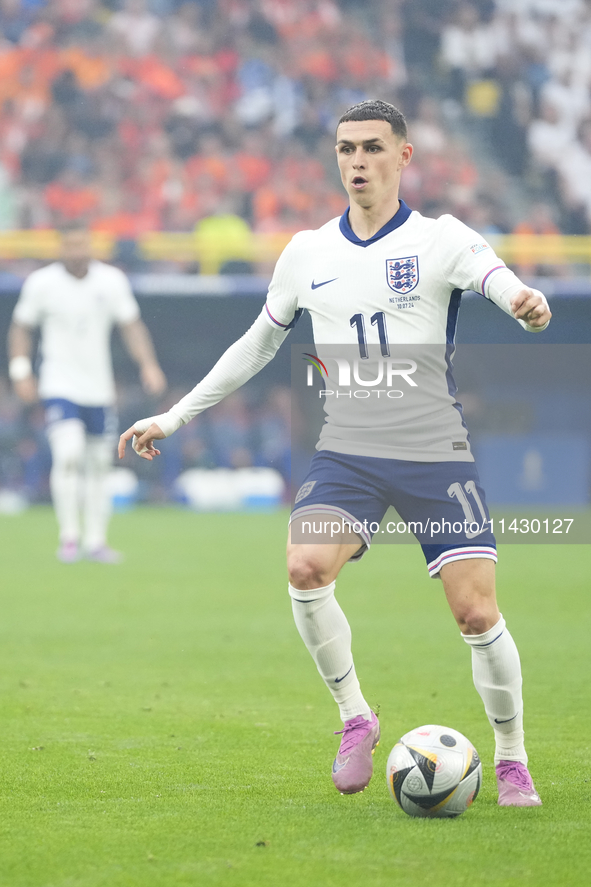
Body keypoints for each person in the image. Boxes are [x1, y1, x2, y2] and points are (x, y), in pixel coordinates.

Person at [118, 100, 551, 806]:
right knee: (303, 566)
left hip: (431, 451)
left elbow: (495, 278)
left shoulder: (441, 238)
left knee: (475, 613)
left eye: (373, 148)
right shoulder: (306, 252)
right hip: (347, 450)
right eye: (346, 149)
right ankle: (355, 716)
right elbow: (257, 342)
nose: (357, 161)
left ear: (403, 156)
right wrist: (175, 414)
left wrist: (522, 300)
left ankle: (510, 758)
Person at [8, 224, 167, 563]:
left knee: (98, 464)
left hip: (97, 388)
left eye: (82, 244)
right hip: (58, 384)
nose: (77, 251)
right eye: (71, 245)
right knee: (69, 453)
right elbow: (21, 327)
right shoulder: (42, 284)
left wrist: (148, 364)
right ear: (60, 247)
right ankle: (69, 537)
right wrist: (20, 371)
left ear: (91, 246)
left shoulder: (111, 281)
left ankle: (96, 541)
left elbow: (131, 325)